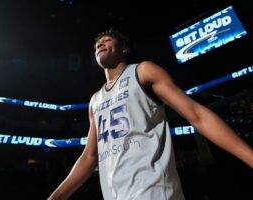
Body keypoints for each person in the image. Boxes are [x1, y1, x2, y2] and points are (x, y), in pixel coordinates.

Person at [47, 29, 253, 200]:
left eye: (107, 40)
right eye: (96, 44)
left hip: (152, 190)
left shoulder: (143, 71)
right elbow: (90, 156)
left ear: (124, 48)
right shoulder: (95, 100)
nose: (100, 44)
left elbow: (196, 114)